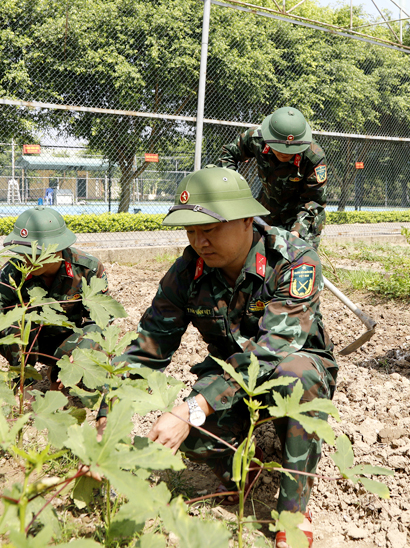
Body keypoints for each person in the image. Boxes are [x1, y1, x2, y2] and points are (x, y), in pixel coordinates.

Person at [104, 165, 336, 548]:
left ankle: (293, 510)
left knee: (297, 374)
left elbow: (272, 350)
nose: (199, 241)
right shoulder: (187, 272)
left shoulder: (293, 260)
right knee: (185, 436)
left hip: (290, 368)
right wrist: (104, 419)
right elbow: (149, 347)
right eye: (191, 231)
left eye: (209, 230)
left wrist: (193, 407)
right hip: (229, 377)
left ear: (247, 219)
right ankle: (248, 461)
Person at [0, 206, 109, 391]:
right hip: (25, 343)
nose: (26, 258)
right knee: (13, 324)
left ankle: (58, 374)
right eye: (22, 251)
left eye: (34, 252)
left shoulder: (88, 269)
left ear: (58, 248)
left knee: (94, 362)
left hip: (67, 340)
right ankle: (23, 382)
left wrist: (83, 353)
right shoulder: (11, 273)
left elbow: (100, 322)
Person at [216, 107, 328, 248]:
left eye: (291, 151)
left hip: (302, 218)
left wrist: (297, 231)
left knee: (299, 263)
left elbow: (314, 201)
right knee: (258, 259)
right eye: (280, 149)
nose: (285, 154)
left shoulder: (314, 157)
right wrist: (231, 186)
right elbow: (229, 153)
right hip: (267, 212)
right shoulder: (256, 138)